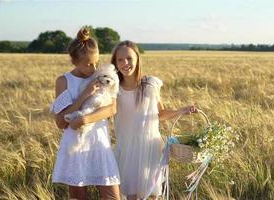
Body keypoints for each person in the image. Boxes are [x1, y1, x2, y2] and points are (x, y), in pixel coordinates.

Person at [110, 40, 197, 200]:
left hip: (150, 147)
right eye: (120, 60)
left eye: (129, 58)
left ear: (137, 59)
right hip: (127, 148)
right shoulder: (114, 89)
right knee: (132, 196)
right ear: (115, 63)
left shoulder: (149, 84)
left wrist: (181, 111)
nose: (125, 63)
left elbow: (160, 114)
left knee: (152, 195)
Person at [50, 27, 121, 200]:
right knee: (78, 196)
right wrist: (84, 94)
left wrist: (84, 119)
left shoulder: (101, 75)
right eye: (89, 64)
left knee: (112, 196)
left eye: (96, 62)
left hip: (99, 142)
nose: (94, 68)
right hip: (75, 145)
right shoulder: (64, 81)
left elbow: (112, 108)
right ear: (74, 61)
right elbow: (61, 122)